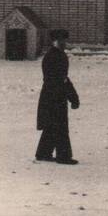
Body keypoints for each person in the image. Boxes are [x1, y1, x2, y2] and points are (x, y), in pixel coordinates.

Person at [35, 29, 80, 164]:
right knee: (60, 126)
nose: (63, 43)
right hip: (54, 95)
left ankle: (43, 153)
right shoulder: (54, 56)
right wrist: (72, 97)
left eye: (64, 40)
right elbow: (60, 79)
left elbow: (63, 78)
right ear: (54, 41)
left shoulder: (56, 55)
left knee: (51, 125)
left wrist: (72, 96)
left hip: (52, 95)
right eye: (60, 40)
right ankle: (63, 156)